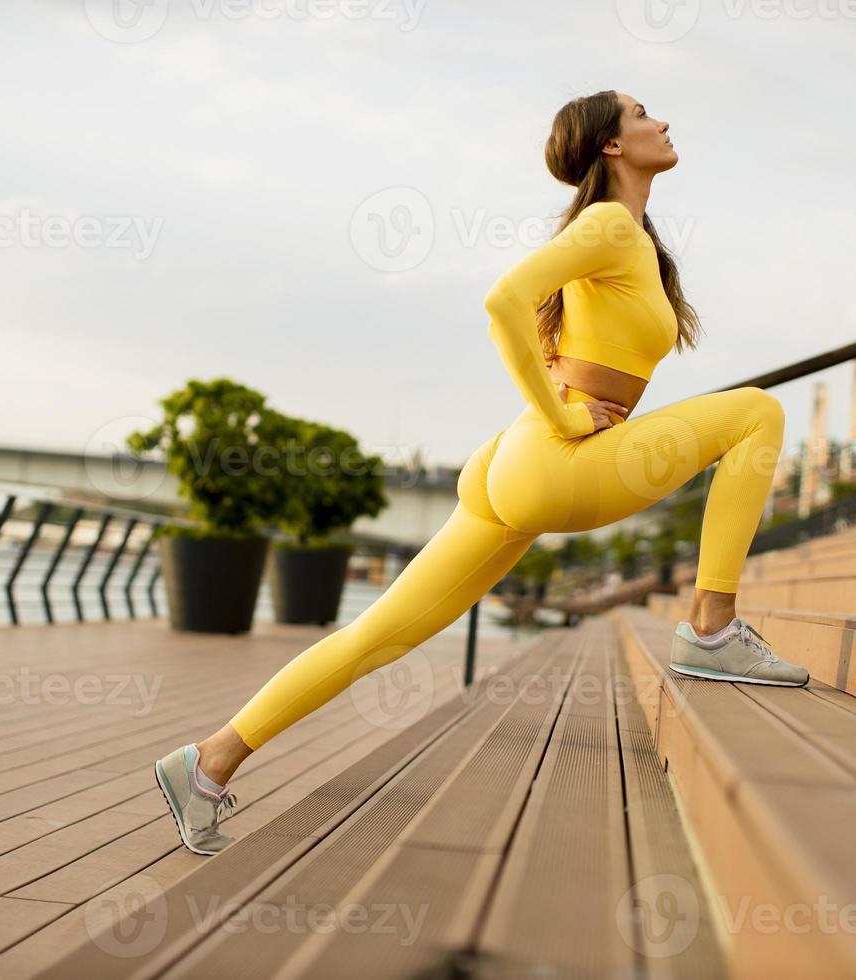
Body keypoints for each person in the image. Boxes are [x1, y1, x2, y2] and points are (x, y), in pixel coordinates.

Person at [155, 89, 808, 856]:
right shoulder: (606, 226)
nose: (663, 121)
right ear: (610, 146)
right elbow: (503, 301)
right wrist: (566, 417)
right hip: (556, 454)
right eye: (642, 114)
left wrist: (555, 417)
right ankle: (712, 626)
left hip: (514, 460)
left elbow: (529, 318)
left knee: (376, 636)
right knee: (757, 414)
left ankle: (208, 763)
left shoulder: (624, 236)